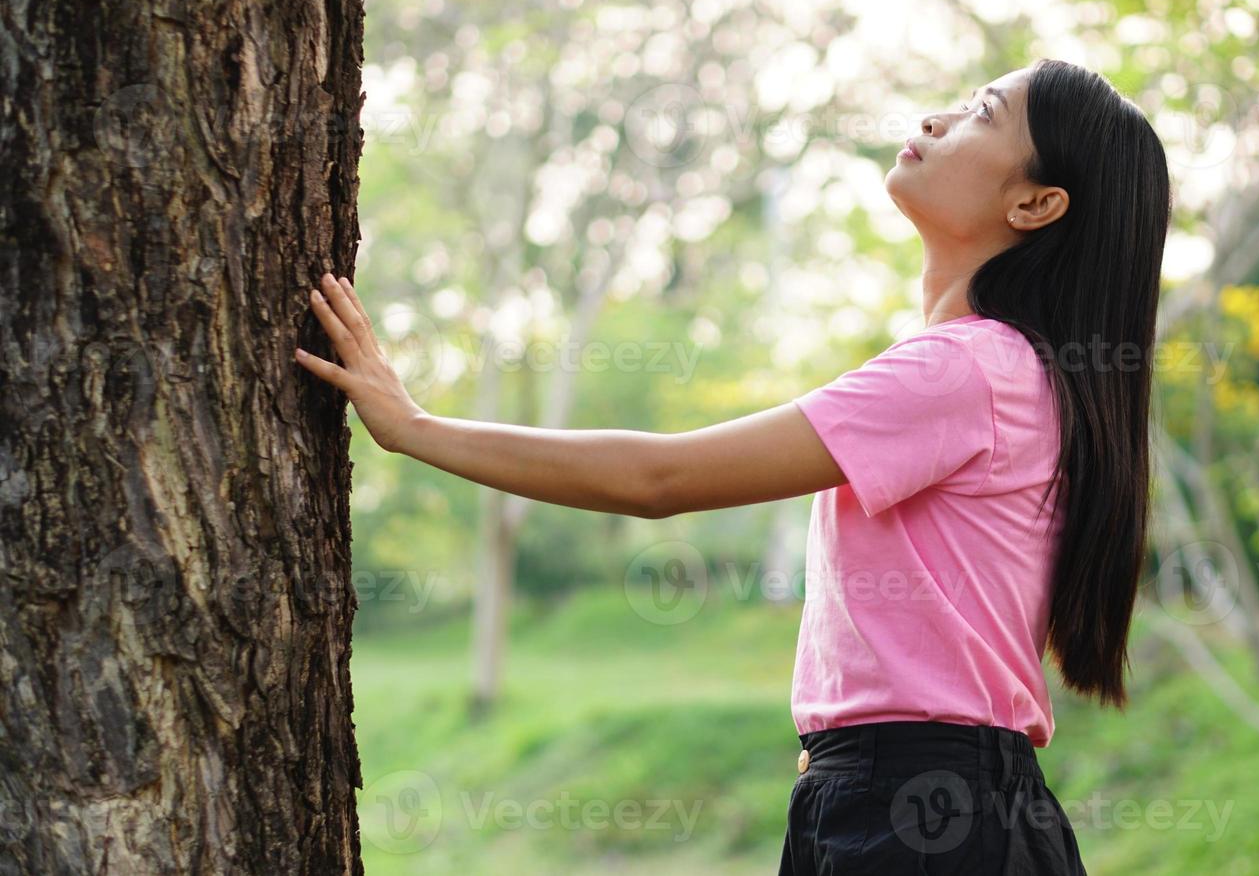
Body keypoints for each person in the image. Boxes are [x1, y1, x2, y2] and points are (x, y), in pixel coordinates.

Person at [295, 57, 1171, 874]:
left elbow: (660, 481)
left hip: (923, 811)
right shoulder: (999, 370)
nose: (938, 119)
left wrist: (411, 426)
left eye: (983, 115)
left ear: (1035, 205)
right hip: (913, 800)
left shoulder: (965, 370)